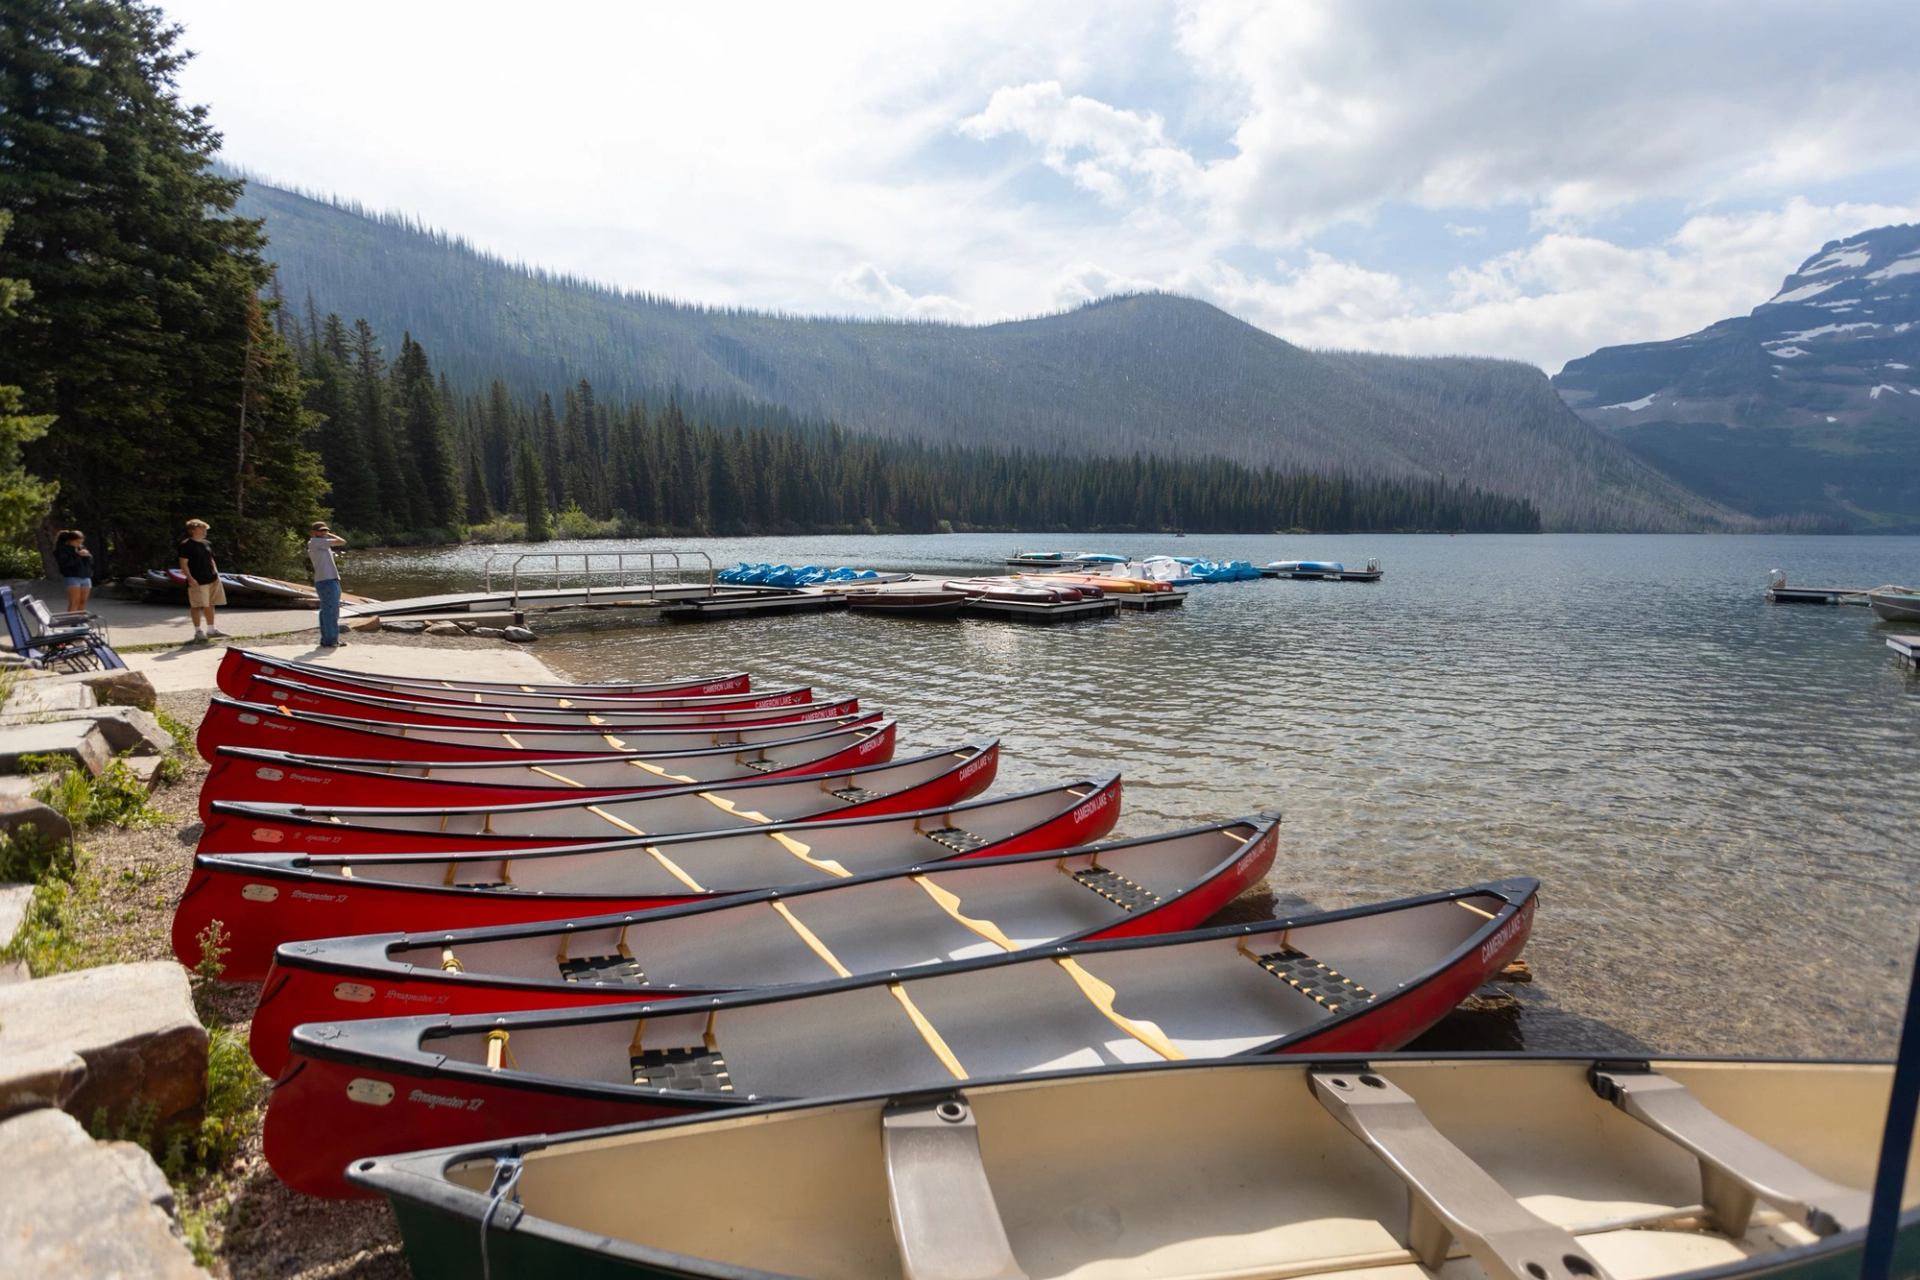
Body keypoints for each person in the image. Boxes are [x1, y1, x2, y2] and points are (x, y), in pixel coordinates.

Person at [176, 518, 227, 642]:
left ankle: (211, 630)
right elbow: (183, 564)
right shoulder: (186, 545)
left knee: (211, 603)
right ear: (193, 530)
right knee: (197, 605)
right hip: (197, 580)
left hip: (212, 578)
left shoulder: (206, 543)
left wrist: (216, 572)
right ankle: (198, 631)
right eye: (202, 529)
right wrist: (190, 578)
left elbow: (210, 559)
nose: (205, 531)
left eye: (205, 529)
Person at [307, 520, 347, 647]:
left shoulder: (320, 543)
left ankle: (327, 639)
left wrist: (327, 535)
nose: (324, 532)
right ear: (313, 532)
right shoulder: (316, 542)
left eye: (325, 530)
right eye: (321, 530)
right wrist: (331, 535)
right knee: (331, 611)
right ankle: (330, 640)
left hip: (328, 580)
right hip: (327, 581)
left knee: (326, 610)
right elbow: (342, 541)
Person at [53, 529, 93, 613]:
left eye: (81, 542)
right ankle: (73, 624)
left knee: (83, 602)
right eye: (77, 542)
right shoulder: (61, 550)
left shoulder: (81, 548)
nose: (79, 544)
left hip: (85, 577)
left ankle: (81, 622)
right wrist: (78, 555)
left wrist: (88, 556)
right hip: (72, 577)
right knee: (74, 602)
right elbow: (66, 564)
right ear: (70, 541)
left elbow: (90, 563)